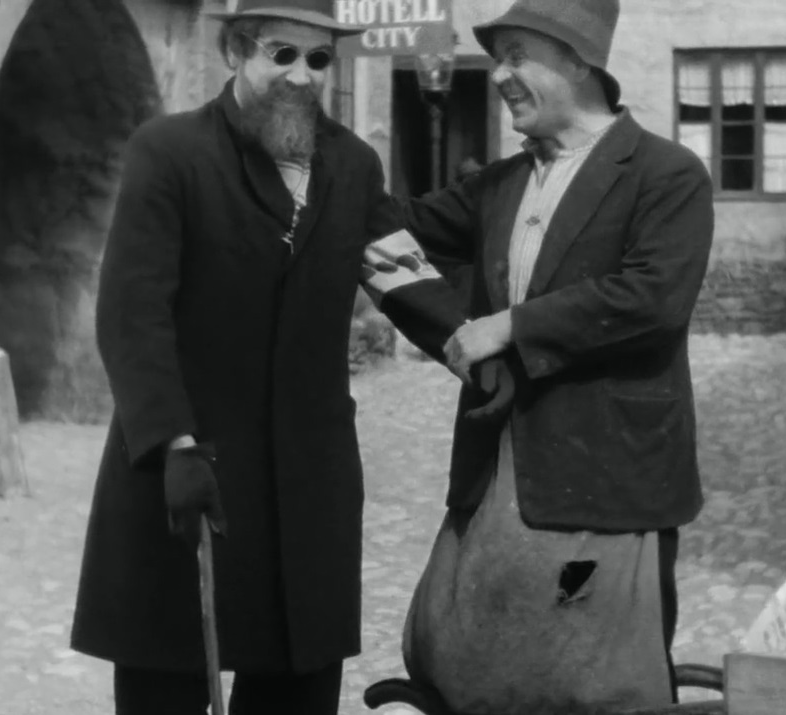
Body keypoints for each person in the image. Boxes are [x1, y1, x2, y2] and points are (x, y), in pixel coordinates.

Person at [68, 2, 507, 713]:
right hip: (190, 468)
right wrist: (170, 442)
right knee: (169, 675)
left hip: (307, 483)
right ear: (236, 52)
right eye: (281, 54)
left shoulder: (351, 165)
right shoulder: (171, 152)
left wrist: (474, 349)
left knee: (296, 684)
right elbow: (131, 312)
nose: (301, 76)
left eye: (319, 60)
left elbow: (401, 273)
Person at [392, 0, 715, 711]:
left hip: (610, 474)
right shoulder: (500, 183)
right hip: (500, 467)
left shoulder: (665, 173)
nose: (499, 75)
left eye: (516, 56)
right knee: (468, 653)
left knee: (600, 677)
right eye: (497, 57)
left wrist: (508, 325)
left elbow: (653, 298)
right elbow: (398, 231)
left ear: (577, 62)